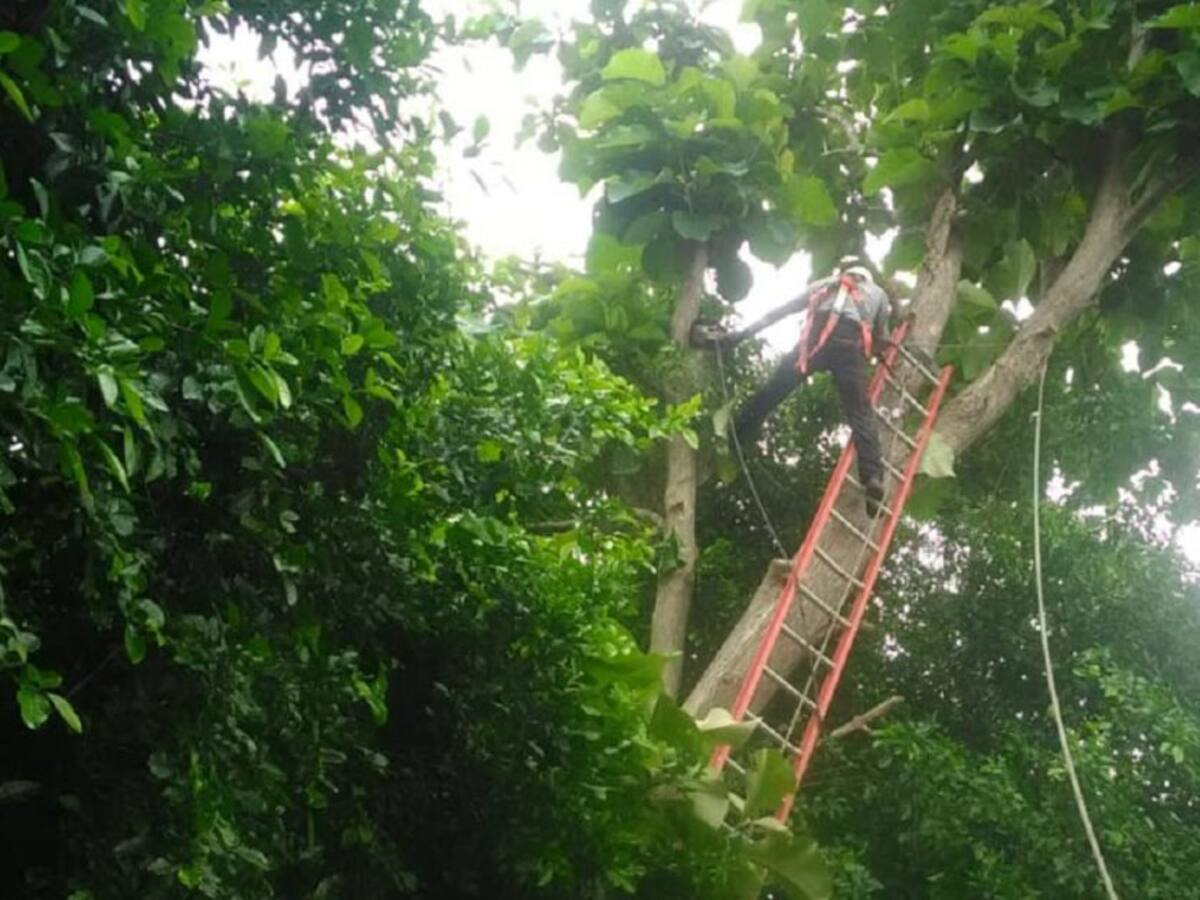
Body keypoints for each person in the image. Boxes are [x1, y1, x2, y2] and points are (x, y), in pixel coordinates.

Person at [695, 263, 893, 516]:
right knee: (860, 413)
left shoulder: (825, 284)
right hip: (850, 346)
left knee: (774, 390)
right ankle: (873, 477)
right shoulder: (877, 293)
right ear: (867, 278)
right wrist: (880, 350)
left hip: (814, 343)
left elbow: (782, 311)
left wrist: (739, 337)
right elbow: (881, 337)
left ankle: (737, 432)